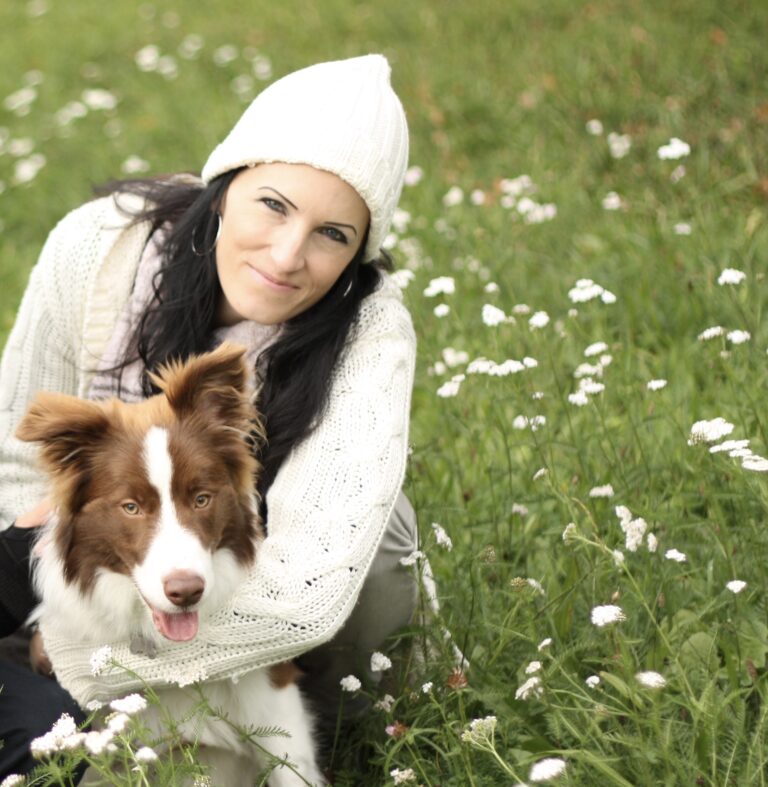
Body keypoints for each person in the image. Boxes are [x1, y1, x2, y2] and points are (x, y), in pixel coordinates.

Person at [0, 53, 417, 777]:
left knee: (384, 534)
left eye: (333, 234)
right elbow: (12, 459)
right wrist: (61, 605)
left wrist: (85, 653)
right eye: (274, 205)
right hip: (88, 578)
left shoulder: (369, 331)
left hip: (258, 608)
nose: (287, 255)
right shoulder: (98, 246)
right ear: (225, 187)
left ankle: (353, 719)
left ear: (358, 254)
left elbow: (306, 600)